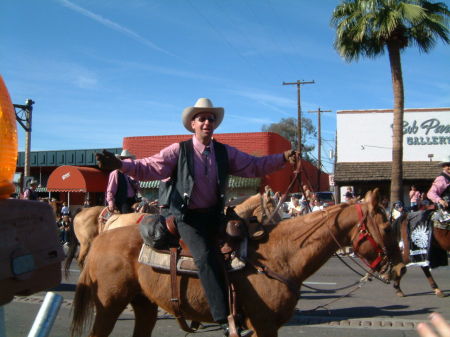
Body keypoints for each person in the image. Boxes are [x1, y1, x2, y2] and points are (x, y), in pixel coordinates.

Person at [96, 97, 299, 337]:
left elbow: (254, 165)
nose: (206, 123)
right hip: (187, 218)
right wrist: (121, 164)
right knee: (204, 256)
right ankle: (224, 318)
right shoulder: (178, 150)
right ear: (192, 124)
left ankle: (249, 303)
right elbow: (149, 167)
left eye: (210, 119)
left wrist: (283, 158)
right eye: (201, 118)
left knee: (246, 245)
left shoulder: (224, 152)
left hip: (214, 216)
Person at [106, 149, 140, 214]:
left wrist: (135, 183)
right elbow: (110, 190)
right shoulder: (115, 173)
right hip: (122, 202)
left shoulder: (132, 173)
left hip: (133, 200)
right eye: (124, 159)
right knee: (127, 217)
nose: (127, 161)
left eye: (128, 159)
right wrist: (111, 202)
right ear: (121, 160)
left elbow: (137, 187)